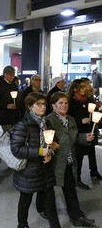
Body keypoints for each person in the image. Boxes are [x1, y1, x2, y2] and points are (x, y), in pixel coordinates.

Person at [45, 91, 96, 227]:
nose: (64, 105)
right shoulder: (49, 120)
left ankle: (76, 216)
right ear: (53, 106)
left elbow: (74, 138)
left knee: (70, 189)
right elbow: (46, 140)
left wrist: (85, 138)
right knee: (46, 189)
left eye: (66, 103)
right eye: (60, 103)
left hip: (68, 161)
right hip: (54, 162)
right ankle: (42, 208)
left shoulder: (71, 119)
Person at [11, 92, 60, 228]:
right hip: (29, 170)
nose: (42, 107)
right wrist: (39, 151)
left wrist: (51, 149)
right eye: (38, 104)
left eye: (44, 104)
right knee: (26, 199)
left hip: (45, 168)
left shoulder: (46, 122)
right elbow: (16, 149)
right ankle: (22, 224)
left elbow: (50, 141)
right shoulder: (23, 125)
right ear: (29, 106)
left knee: (50, 200)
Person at [67, 79, 102, 190]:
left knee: (91, 151)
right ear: (75, 89)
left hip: (89, 131)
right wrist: (80, 120)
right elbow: (68, 118)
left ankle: (94, 171)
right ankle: (77, 179)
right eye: (81, 87)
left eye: (84, 87)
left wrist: (96, 116)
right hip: (79, 133)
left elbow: (94, 112)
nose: (84, 89)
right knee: (79, 157)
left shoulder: (87, 100)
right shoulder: (71, 102)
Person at [0, 65, 20, 132]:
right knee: (8, 135)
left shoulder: (14, 85)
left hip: (15, 115)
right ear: (5, 74)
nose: (13, 77)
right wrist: (6, 105)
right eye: (11, 75)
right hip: (5, 116)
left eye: (13, 75)